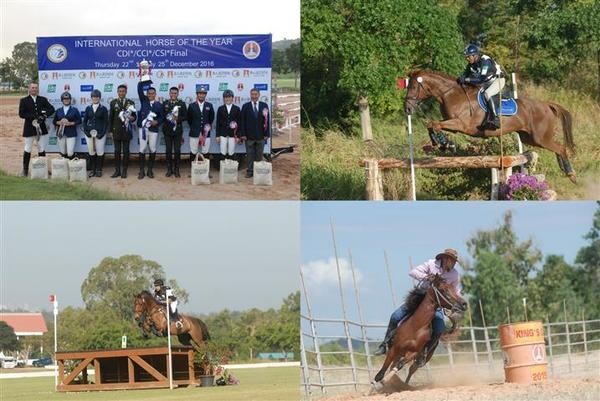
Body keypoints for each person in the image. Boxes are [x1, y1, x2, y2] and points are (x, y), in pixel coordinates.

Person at [374, 249, 462, 366]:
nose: (452, 263)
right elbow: (413, 272)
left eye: (454, 261)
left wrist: (458, 301)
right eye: (451, 260)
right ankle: (384, 345)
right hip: (420, 298)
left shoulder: (454, 275)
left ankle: (423, 354)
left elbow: (456, 291)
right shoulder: (431, 264)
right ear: (445, 258)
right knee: (395, 316)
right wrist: (426, 277)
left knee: (439, 328)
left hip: (437, 305)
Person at [457, 44, 505, 130]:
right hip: (486, 82)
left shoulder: (485, 61)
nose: (467, 59)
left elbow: (481, 78)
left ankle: (495, 118)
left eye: (468, 57)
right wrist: (461, 79)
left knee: (487, 94)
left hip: (497, 80)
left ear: (475, 55)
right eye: (466, 57)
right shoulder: (471, 64)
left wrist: (467, 80)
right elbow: (464, 75)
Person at [18, 82, 55, 176]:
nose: (34, 89)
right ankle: (25, 170)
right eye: (33, 88)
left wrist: (44, 116)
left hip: (41, 128)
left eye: (36, 88)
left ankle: (44, 168)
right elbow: (21, 114)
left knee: (41, 148)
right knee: (27, 148)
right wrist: (34, 117)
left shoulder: (43, 99)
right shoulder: (24, 100)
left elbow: (51, 109)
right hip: (29, 128)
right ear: (29, 89)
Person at [108, 84, 137, 178]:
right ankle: (117, 171)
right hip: (116, 130)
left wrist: (132, 118)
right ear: (117, 92)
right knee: (116, 151)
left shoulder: (131, 103)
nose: (121, 93)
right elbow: (110, 118)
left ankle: (124, 170)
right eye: (119, 91)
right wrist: (110, 131)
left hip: (126, 131)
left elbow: (134, 116)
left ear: (126, 92)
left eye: (123, 91)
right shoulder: (113, 102)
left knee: (126, 151)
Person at [240, 88, 270, 178]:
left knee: (259, 155)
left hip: (261, 136)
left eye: (255, 94)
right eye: (252, 94)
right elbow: (242, 121)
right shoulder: (245, 106)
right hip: (249, 137)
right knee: (249, 155)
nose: (254, 96)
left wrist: (267, 134)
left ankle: (258, 171)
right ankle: (250, 171)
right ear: (250, 95)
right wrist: (243, 134)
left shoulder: (264, 106)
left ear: (259, 95)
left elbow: (267, 121)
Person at [137, 82, 163, 179]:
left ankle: (150, 170)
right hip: (143, 130)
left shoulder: (159, 105)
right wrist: (143, 80)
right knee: (142, 149)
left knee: (152, 148)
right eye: (149, 93)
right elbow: (139, 89)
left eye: (153, 93)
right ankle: (141, 171)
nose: (151, 95)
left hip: (153, 130)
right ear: (147, 94)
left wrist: (157, 122)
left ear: (155, 94)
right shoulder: (143, 101)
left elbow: (162, 118)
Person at [82, 89, 109, 177]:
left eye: (97, 97)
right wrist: (86, 132)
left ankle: (99, 169)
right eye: (93, 97)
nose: (95, 98)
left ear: (99, 98)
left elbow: (106, 122)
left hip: (100, 133)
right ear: (91, 98)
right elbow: (84, 121)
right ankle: (93, 169)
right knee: (91, 151)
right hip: (89, 134)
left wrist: (102, 133)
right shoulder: (88, 108)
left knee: (100, 152)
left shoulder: (103, 109)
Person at [162, 86, 187, 177]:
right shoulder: (165, 103)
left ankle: (176, 170)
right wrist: (168, 117)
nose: (173, 95)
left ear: (178, 94)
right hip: (167, 131)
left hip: (178, 131)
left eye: (175, 93)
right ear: (169, 93)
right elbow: (162, 116)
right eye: (172, 93)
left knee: (177, 151)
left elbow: (185, 116)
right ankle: (169, 169)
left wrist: (178, 119)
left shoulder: (182, 104)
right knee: (168, 150)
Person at [186, 85, 215, 164]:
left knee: (205, 151)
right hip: (194, 132)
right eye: (200, 93)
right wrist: (195, 127)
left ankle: (205, 171)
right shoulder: (192, 106)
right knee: (193, 151)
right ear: (197, 94)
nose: (201, 95)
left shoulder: (209, 105)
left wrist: (207, 127)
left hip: (206, 133)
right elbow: (189, 119)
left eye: (203, 93)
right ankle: (193, 170)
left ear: (205, 95)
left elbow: (211, 118)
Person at [53, 92, 82, 160]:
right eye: (64, 99)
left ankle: (71, 167)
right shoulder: (58, 110)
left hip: (71, 133)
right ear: (62, 100)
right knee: (63, 152)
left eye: (68, 99)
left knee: (70, 152)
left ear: (70, 99)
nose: (66, 100)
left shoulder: (74, 110)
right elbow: (54, 121)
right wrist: (59, 122)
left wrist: (71, 123)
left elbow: (79, 121)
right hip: (61, 133)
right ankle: (64, 168)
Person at [216, 89, 241, 163]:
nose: (227, 98)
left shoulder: (237, 109)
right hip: (223, 134)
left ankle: (230, 169)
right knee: (223, 152)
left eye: (229, 97)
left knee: (231, 152)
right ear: (223, 98)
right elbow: (218, 123)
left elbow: (239, 123)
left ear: (232, 98)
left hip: (233, 134)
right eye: (226, 97)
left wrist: (238, 136)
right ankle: (223, 168)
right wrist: (217, 135)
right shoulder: (220, 109)